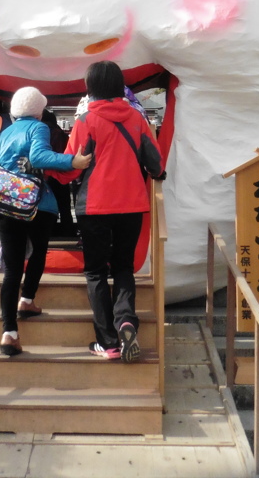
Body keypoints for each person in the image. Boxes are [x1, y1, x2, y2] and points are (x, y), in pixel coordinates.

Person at [64, 61, 165, 362]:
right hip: (132, 205)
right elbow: (156, 164)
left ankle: (107, 343)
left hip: (94, 207)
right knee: (123, 267)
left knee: (95, 271)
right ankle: (125, 321)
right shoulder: (136, 119)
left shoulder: (86, 120)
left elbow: (71, 164)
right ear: (120, 84)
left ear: (91, 85)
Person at [0, 86, 91, 356]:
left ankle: (9, 333)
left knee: (12, 269)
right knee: (39, 252)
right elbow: (39, 157)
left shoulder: (0, 136)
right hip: (36, 204)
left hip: (4, 204)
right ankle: (27, 299)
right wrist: (73, 161)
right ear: (39, 110)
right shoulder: (38, 128)